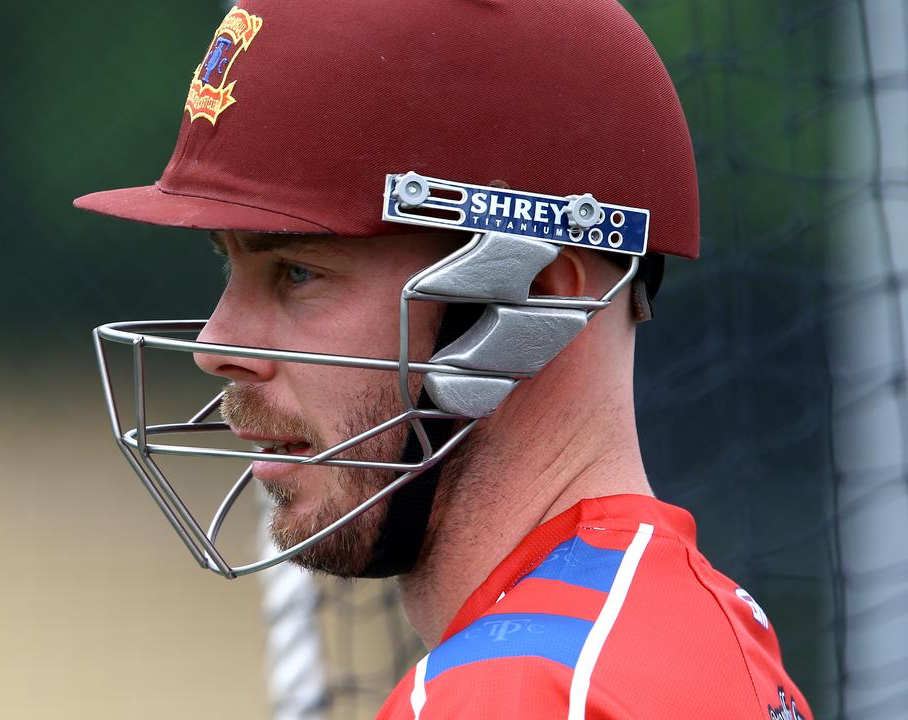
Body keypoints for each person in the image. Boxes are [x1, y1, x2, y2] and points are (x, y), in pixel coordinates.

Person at [75, 1, 813, 717]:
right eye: (225, 266)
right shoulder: (702, 630)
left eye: (297, 273)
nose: (215, 346)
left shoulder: (515, 694)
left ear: (539, 297)